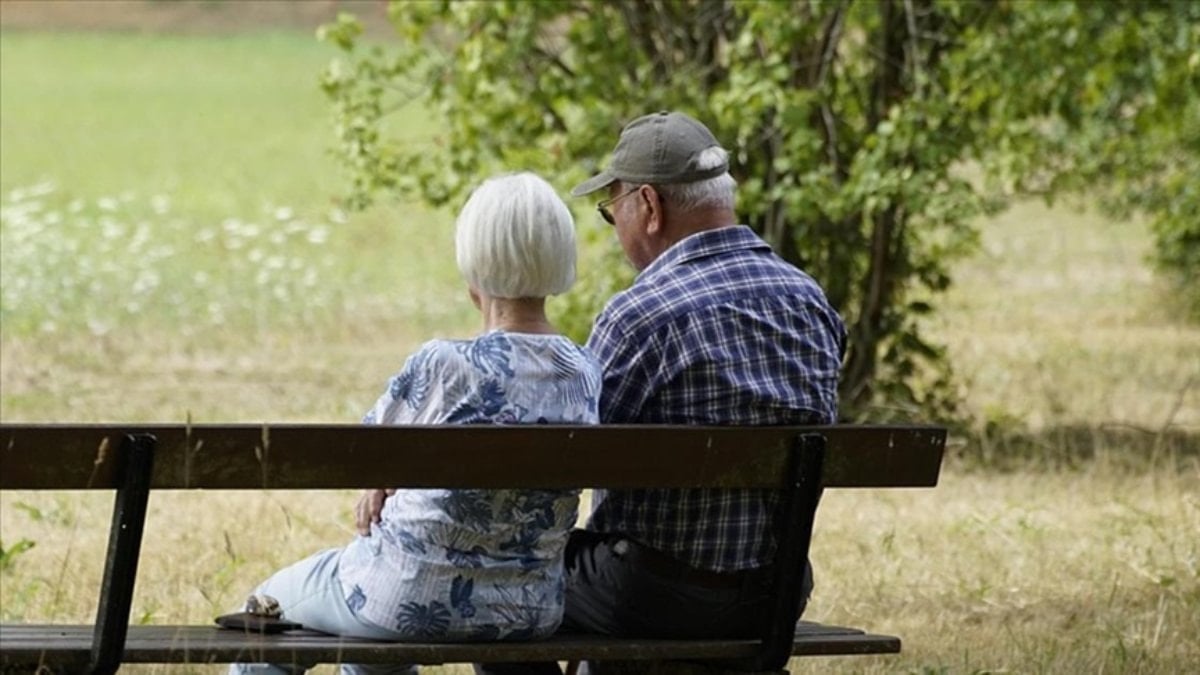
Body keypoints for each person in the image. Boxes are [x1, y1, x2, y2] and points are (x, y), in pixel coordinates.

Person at [229, 172, 602, 675]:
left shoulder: (443, 366)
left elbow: (366, 456)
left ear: (474, 263)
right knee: (374, 648)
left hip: (405, 594)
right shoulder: (582, 372)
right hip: (528, 609)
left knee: (265, 606)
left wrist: (379, 484)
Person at [562, 111, 847, 642]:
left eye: (611, 212)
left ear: (648, 206)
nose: (615, 228)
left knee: (499, 583)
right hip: (775, 595)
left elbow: (561, 451)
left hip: (650, 596)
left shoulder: (640, 316)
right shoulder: (810, 303)